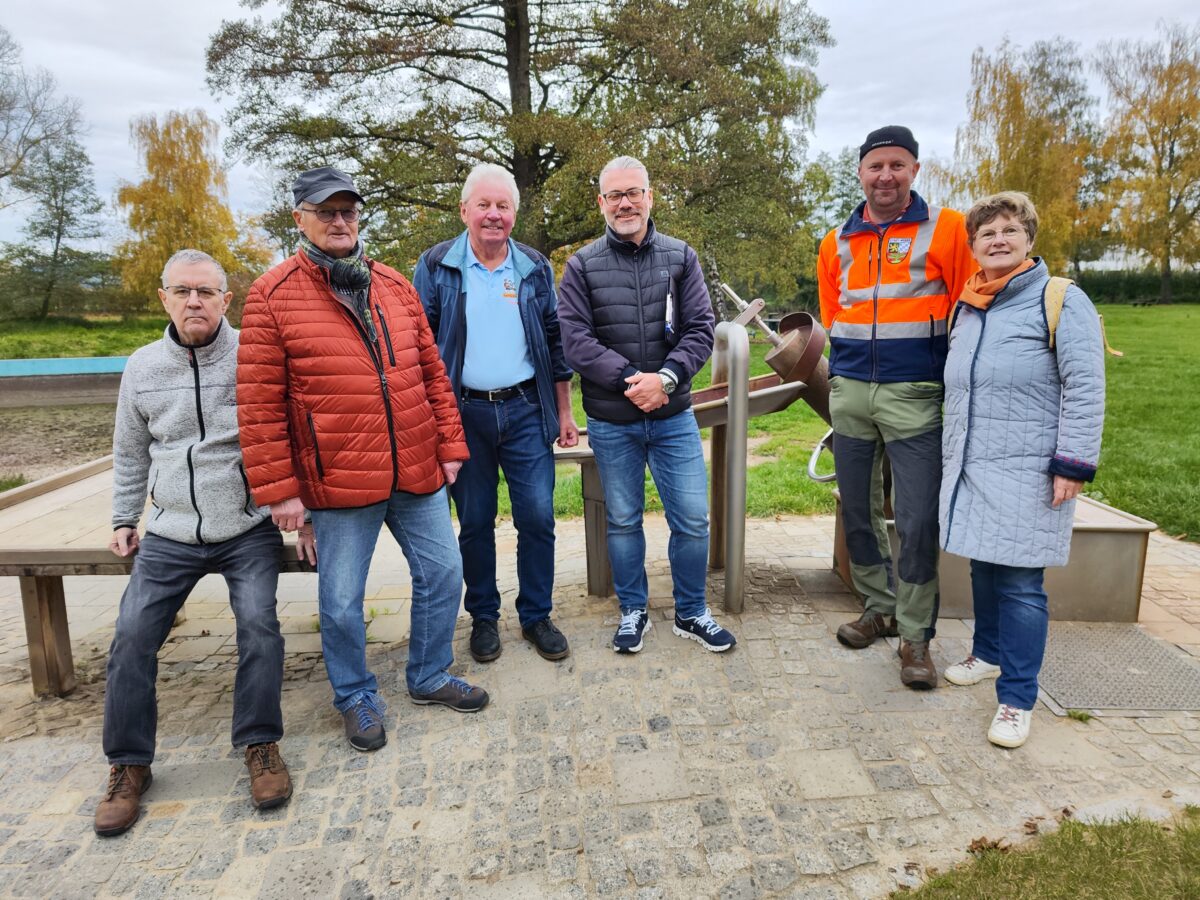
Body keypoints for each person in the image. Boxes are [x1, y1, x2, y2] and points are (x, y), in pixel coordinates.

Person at [237, 166, 489, 754]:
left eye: (348, 211)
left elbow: (431, 373)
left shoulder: (394, 285)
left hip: (415, 466)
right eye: (326, 211)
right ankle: (354, 694)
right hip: (339, 477)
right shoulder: (271, 296)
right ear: (298, 217)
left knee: (444, 573)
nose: (340, 221)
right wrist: (280, 490)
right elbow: (258, 403)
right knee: (343, 599)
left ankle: (428, 675)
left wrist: (450, 444)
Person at [95, 249, 303, 837]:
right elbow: (131, 449)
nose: (194, 301)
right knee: (132, 633)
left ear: (225, 300)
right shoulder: (141, 367)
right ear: (163, 297)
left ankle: (261, 744)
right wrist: (122, 516)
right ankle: (129, 764)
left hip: (246, 526)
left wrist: (302, 510)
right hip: (171, 531)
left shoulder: (253, 355)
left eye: (206, 292)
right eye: (183, 291)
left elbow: (289, 433)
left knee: (259, 624)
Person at [940, 191, 1105, 748]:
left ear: (1029, 240)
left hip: (1031, 465)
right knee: (983, 567)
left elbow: (1084, 386)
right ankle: (987, 654)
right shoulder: (969, 304)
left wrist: (1072, 464)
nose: (999, 240)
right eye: (987, 234)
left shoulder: (1060, 300)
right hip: (975, 460)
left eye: (1010, 230)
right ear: (974, 247)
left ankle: (1016, 698)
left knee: (1020, 582)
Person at [817, 125, 976, 689]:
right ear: (860, 172)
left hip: (916, 395)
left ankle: (915, 637)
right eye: (875, 166)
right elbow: (834, 312)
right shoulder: (836, 240)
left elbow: (967, 306)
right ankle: (878, 607)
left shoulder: (949, 228)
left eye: (897, 165)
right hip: (853, 392)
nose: (885, 175)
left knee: (914, 518)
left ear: (914, 170)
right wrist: (842, 378)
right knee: (857, 509)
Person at [558, 155, 735, 654]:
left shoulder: (681, 257)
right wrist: (632, 380)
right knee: (622, 519)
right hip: (613, 420)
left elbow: (702, 328)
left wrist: (668, 377)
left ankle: (691, 611)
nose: (625, 203)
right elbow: (575, 340)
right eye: (615, 195)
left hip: (673, 414)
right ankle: (633, 610)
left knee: (693, 519)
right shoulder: (581, 265)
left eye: (634, 192)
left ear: (650, 197)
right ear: (601, 203)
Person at [413, 164, 579, 664]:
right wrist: (433, 425)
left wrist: (564, 414)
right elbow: (420, 346)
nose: (493, 214)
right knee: (476, 521)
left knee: (538, 517)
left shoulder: (533, 266)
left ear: (514, 213)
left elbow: (555, 342)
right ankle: (484, 617)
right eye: (483, 205)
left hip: (527, 409)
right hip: (462, 414)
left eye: (502, 206)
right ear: (464, 210)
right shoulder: (438, 264)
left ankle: (536, 615)